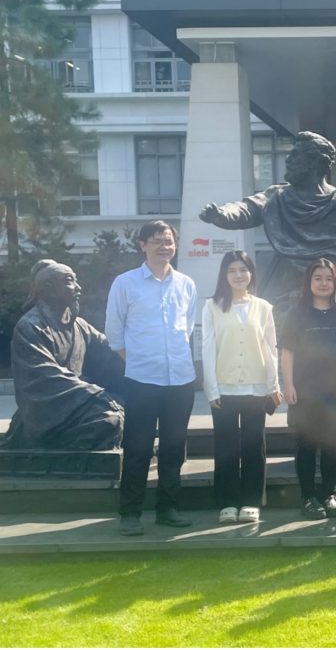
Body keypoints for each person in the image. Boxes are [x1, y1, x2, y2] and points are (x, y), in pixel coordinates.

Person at [198, 131, 336, 306]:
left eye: (295, 156)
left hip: (328, 290)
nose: (288, 160)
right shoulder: (277, 196)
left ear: (314, 162)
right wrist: (221, 214)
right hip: (284, 284)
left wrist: (315, 284)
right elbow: (248, 208)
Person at [106, 220, 197, 536]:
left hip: (181, 380)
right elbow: (115, 335)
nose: (164, 246)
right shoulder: (125, 283)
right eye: (157, 240)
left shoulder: (186, 284)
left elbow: (187, 328)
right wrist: (141, 361)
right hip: (142, 381)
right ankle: (130, 513)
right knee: (138, 448)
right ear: (142, 245)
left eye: (169, 240)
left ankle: (168, 509)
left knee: (174, 448)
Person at [2, 260, 124, 452]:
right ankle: (73, 458)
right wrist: (96, 394)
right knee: (108, 419)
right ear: (48, 288)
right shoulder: (30, 327)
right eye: (69, 281)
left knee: (135, 405)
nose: (78, 287)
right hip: (51, 410)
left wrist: (137, 358)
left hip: (82, 401)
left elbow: (109, 351)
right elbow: (44, 376)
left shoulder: (79, 325)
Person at [202, 251, 281, 524]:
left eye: (243, 270)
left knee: (252, 446)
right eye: (233, 270)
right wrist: (211, 389)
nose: (238, 275)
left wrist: (274, 385)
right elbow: (208, 348)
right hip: (223, 388)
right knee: (225, 447)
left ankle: (250, 501)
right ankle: (226, 501)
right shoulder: (212, 306)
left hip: (256, 388)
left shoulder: (263, 307)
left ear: (251, 274)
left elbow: (271, 349)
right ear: (224, 275)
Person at [280, 258, 336, 520]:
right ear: (309, 282)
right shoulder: (296, 314)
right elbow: (287, 352)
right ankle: (308, 497)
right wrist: (288, 384)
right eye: (318, 278)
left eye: (329, 278)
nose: (323, 283)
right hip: (305, 390)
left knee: (332, 446)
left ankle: (329, 495)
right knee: (307, 445)